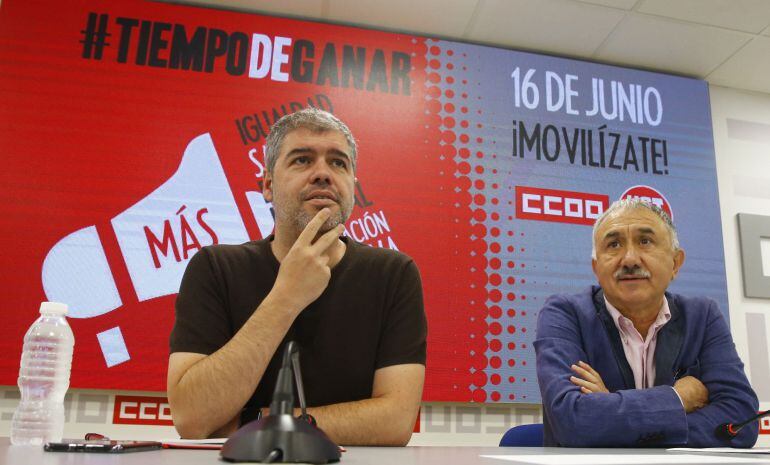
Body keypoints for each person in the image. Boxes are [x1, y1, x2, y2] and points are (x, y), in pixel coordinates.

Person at [166, 108, 427, 445]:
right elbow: (192, 418)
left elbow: (394, 422)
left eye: (338, 163)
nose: (323, 174)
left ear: (352, 185)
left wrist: (260, 421)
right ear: (268, 186)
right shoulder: (215, 267)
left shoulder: (394, 274)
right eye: (302, 160)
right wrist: (286, 296)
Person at [535, 199, 758, 447]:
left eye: (645, 241)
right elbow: (573, 423)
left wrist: (613, 416)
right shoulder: (565, 314)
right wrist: (677, 398)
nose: (630, 259)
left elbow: (740, 422)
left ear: (675, 263)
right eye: (614, 244)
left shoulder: (702, 316)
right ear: (596, 268)